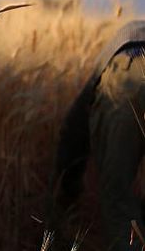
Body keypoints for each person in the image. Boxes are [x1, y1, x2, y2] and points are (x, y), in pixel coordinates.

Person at [50, 20, 145, 250]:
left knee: (117, 197)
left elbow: (74, 130)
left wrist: (66, 192)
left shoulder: (120, 43)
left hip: (127, 74)